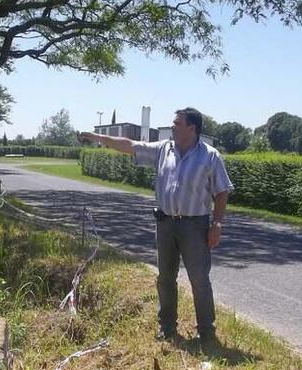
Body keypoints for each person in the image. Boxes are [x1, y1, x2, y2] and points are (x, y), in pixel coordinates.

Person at [77, 107, 233, 350]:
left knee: (199, 279)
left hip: (195, 225)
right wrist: (99, 138)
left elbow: (222, 191)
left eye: (176, 123)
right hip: (166, 223)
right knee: (165, 278)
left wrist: (217, 224)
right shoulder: (163, 149)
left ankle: (206, 333)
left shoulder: (210, 156)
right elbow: (129, 145)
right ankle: (167, 327)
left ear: (192, 128)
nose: (171, 127)